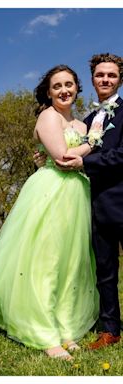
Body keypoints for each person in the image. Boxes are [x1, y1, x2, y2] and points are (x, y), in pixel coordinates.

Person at [0, 65, 102, 360]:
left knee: (72, 264)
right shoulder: (48, 117)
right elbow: (62, 156)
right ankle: (44, 332)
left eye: (69, 84)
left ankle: (66, 328)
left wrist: (90, 139)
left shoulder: (82, 126)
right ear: (48, 92)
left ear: (77, 88)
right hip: (50, 191)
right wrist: (94, 143)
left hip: (77, 194)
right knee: (47, 261)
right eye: (57, 86)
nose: (64, 90)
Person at [52, 53, 123, 350]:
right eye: (100, 75)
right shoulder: (87, 120)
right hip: (95, 204)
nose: (105, 79)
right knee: (104, 271)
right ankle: (110, 330)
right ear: (92, 79)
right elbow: (76, 151)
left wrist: (86, 165)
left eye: (111, 75)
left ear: (119, 79)